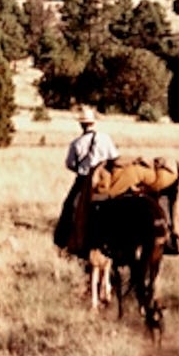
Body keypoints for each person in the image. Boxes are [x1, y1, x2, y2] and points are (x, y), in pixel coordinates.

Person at [53, 105, 118, 254]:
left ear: (81, 124)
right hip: (105, 179)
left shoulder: (76, 143)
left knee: (69, 207)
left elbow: (70, 164)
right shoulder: (105, 138)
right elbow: (114, 158)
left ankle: (62, 242)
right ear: (93, 122)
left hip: (83, 180)